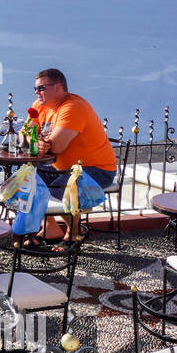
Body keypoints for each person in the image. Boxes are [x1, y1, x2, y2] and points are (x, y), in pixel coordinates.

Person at [31, 68, 117, 245]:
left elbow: (57, 146)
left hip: (97, 169)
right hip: (64, 168)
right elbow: (24, 134)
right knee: (27, 178)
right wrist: (35, 140)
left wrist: (38, 142)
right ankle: (50, 227)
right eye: (36, 89)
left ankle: (74, 232)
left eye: (41, 88)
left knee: (59, 186)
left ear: (58, 87)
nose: (37, 92)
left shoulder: (73, 107)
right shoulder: (40, 105)